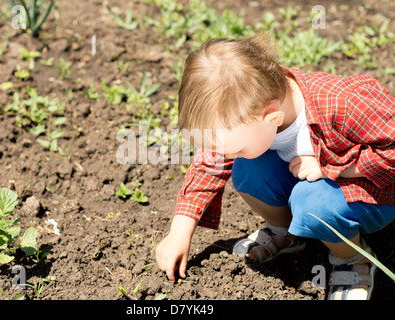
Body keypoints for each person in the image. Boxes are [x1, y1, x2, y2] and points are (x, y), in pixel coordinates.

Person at [155, 35, 395, 300]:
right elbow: (209, 164)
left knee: (311, 202)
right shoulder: (251, 110)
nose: (226, 155)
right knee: (249, 170)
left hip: (373, 194)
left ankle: (352, 257)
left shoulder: (342, 104)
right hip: (309, 180)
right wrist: (179, 232)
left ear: (273, 117)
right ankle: (287, 233)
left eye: (235, 148)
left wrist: (333, 168)